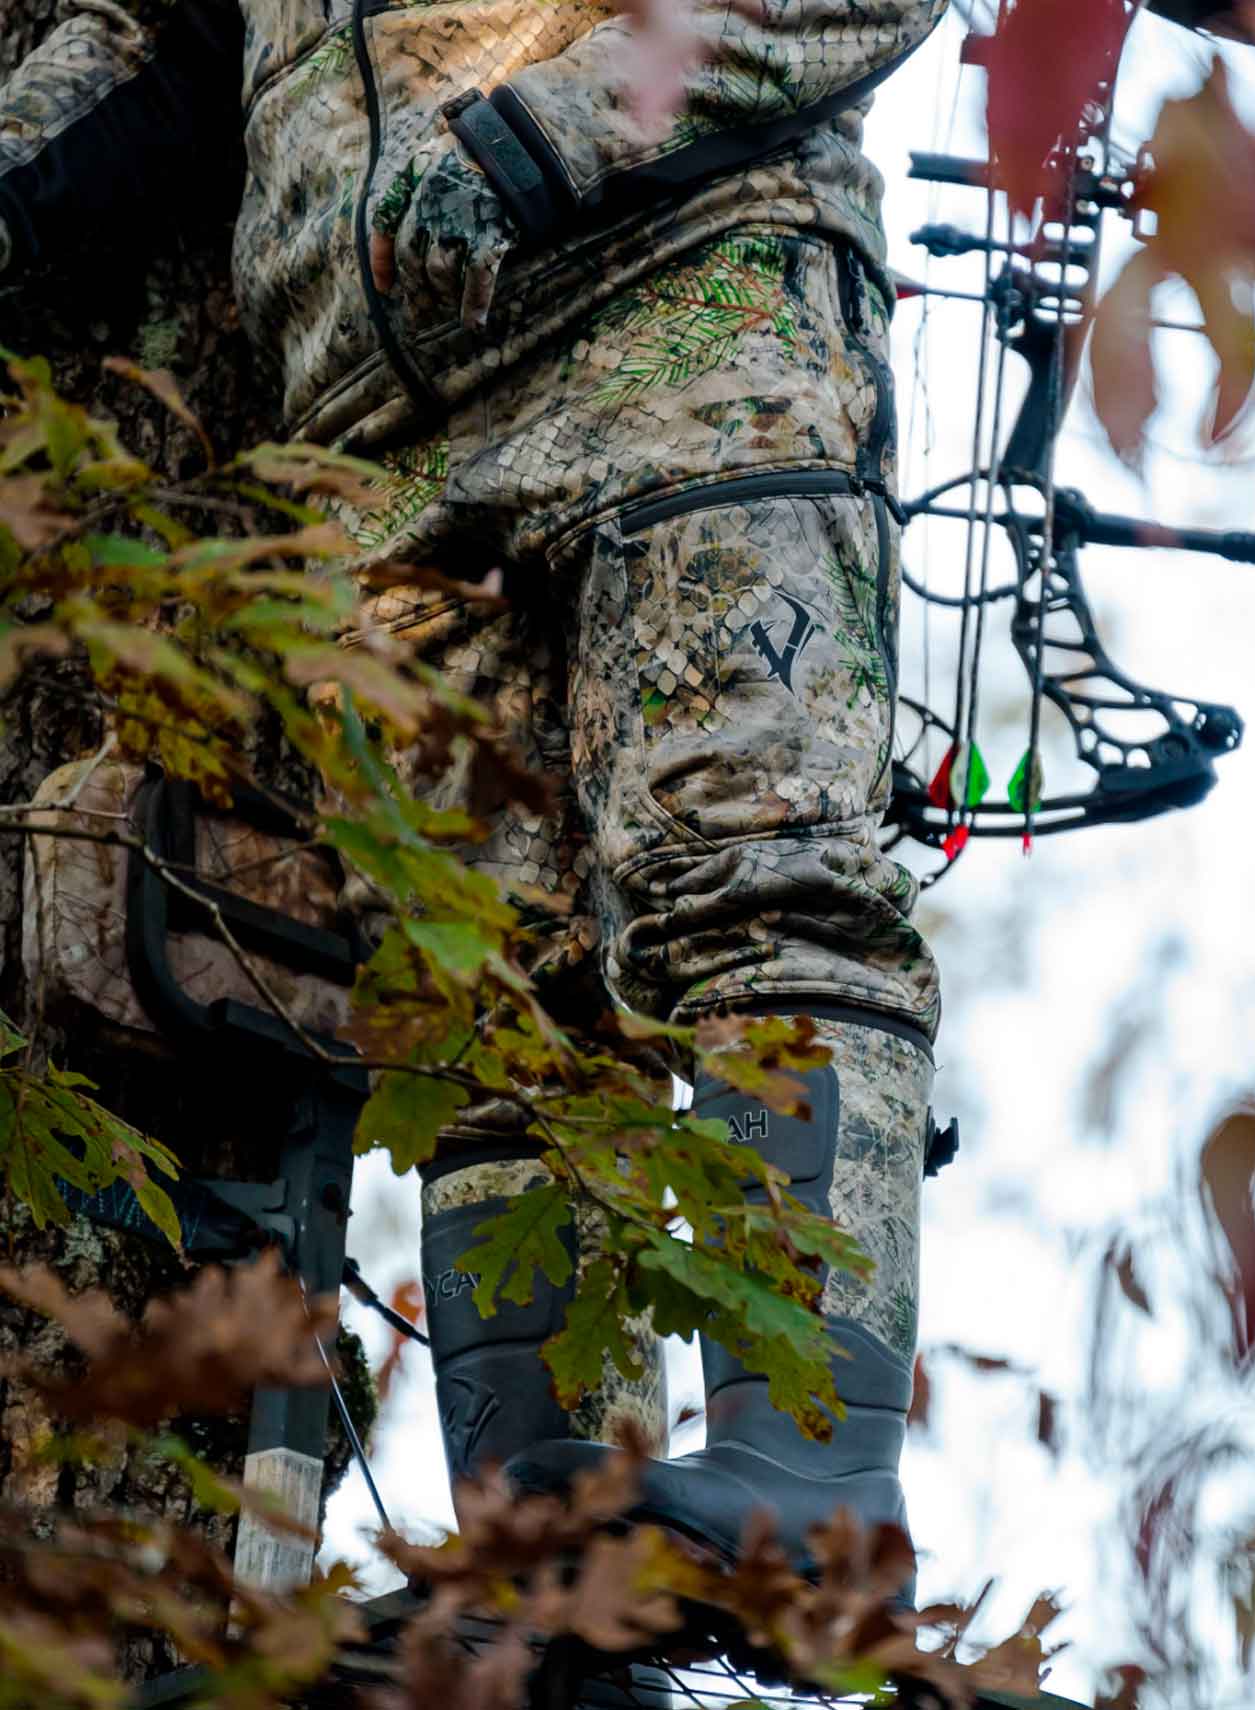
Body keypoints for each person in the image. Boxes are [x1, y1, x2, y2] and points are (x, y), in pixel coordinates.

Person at [0, 0, 948, 1588]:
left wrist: (552, 132)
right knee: (486, 1018)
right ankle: (555, 1561)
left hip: (688, 296)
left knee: (759, 879)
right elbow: (161, 36)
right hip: (387, 440)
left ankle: (816, 1472)